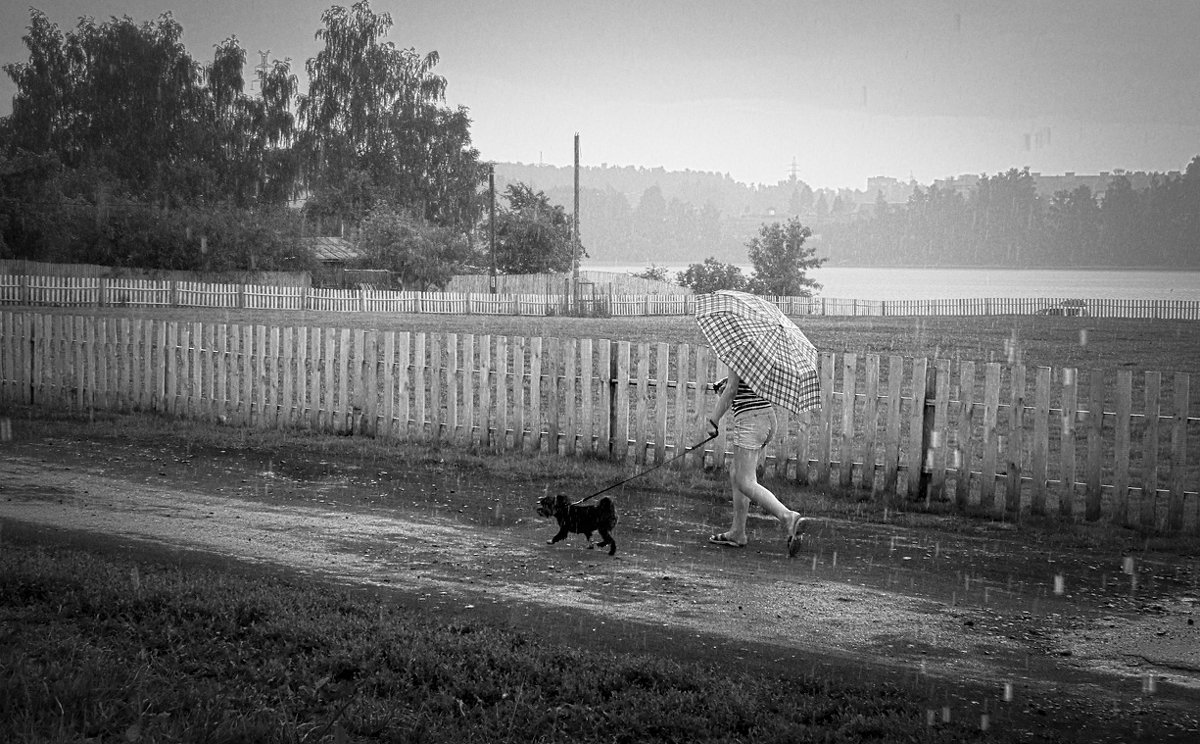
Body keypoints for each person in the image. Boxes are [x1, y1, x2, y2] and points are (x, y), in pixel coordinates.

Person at [705, 368, 807, 556]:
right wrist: (728, 381)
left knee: (745, 481)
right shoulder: (757, 352)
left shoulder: (738, 350)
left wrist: (713, 420)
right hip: (766, 416)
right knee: (737, 471)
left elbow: (733, 390)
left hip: (750, 420)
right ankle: (737, 532)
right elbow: (745, 382)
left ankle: (788, 517)